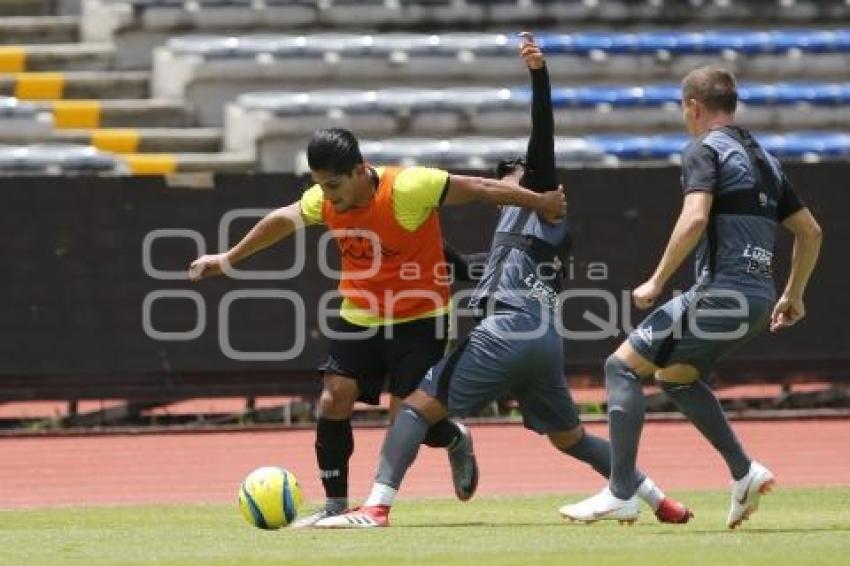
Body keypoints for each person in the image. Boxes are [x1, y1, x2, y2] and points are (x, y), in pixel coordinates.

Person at [316, 33, 692, 529]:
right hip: (542, 343)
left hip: (508, 332)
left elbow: (542, 141)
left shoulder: (542, 204)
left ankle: (376, 508)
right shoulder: (515, 237)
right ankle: (662, 501)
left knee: (411, 411)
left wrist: (539, 75)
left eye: (512, 172)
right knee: (571, 438)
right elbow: (460, 267)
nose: (506, 177)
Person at [189, 126, 566, 526]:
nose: (327, 195)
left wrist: (538, 201)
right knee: (335, 397)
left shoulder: (408, 187)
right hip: (361, 314)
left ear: (358, 170)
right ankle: (335, 505)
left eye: (333, 184)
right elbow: (282, 220)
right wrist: (228, 258)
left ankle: (454, 437)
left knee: (406, 421)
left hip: (421, 319)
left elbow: (476, 188)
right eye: (320, 185)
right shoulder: (325, 199)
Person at [560, 65, 822, 528]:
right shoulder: (766, 159)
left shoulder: (705, 150)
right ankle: (744, 472)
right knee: (677, 377)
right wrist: (794, 295)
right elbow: (811, 231)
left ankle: (621, 492)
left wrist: (657, 280)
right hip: (759, 300)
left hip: (721, 293)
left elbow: (696, 217)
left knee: (620, 366)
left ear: (693, 107)